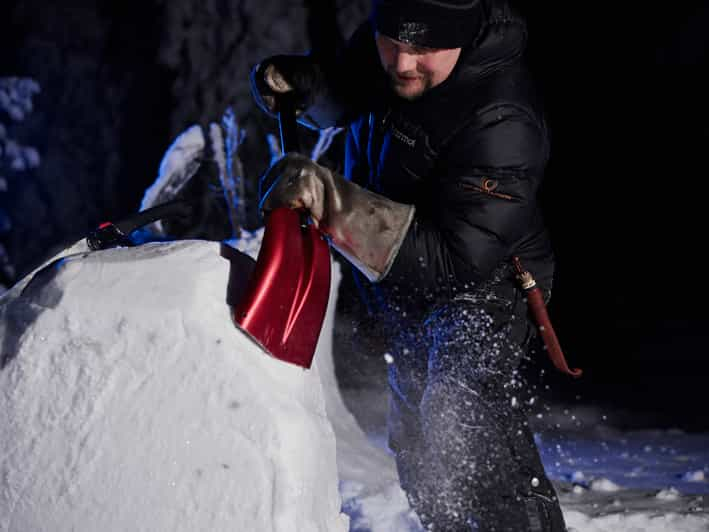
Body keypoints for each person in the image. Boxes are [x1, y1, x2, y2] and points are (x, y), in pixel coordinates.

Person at [250, 0, 570, 530]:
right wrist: (303, 83)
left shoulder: (503, 115)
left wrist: (332, 203)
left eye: (423, 48)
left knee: (460, 420)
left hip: (483, 285)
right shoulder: (389, 56)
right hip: (403, 278)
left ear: (461, 39)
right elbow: (348, 94)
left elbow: (457, 257)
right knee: (420, 445)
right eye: (392, 43)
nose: (401, 63)